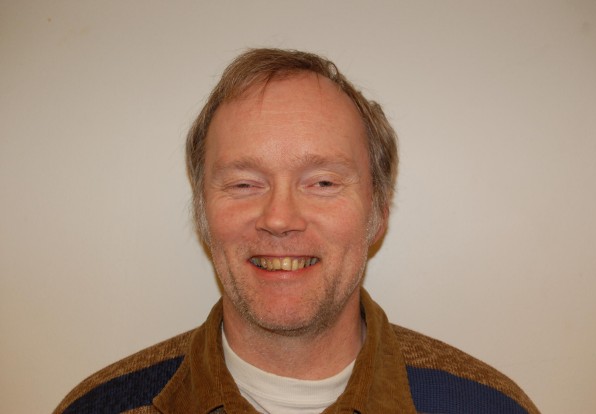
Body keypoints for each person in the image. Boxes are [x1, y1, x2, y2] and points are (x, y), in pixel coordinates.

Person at [54, 48, 539, 414]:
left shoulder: (490, 407)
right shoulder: (99, 408)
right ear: (203, 214)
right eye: (244, 183)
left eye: (323, 182)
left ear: (378, 213)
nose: (280, 218)